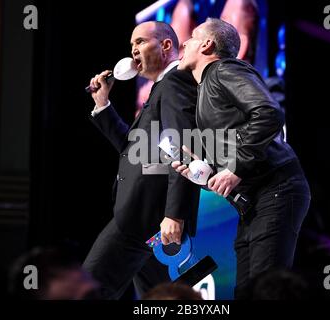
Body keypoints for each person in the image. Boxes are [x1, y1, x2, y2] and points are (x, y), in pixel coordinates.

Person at [173, 18, 311, 299]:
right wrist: (203, 174)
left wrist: (235, 166)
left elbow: (269, 113)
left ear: (207, 44)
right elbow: (234, 149)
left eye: (191, 38)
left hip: (277, 189)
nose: (183, 43)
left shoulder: (224, 70)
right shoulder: (208, 86)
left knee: (265, 291)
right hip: (254, 203)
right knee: (247, 293)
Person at [83, 21, 200, 299]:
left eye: (140, 42)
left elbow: (181, 149)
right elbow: (135, 149)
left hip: (143, 217)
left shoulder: (173, 83)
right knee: (160, 298)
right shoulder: (162, 88)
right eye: (131, 45)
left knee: (86, 289)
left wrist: (174, 214)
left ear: (166, 46)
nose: (133, 50)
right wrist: (103, 104)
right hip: (152, 223)